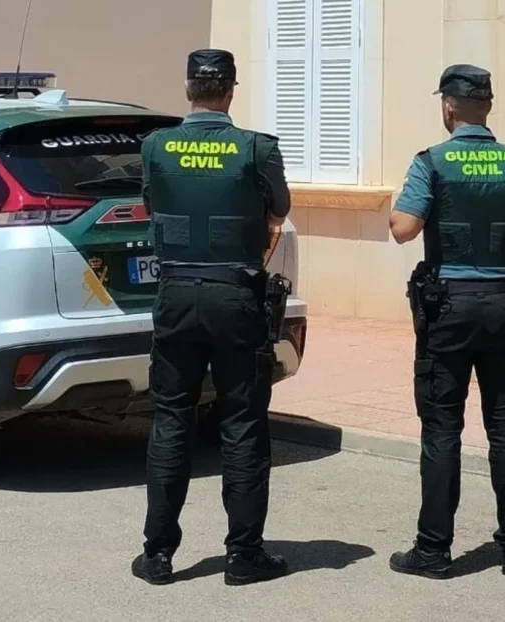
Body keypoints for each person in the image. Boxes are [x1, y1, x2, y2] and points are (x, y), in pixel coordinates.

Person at [388, 64, 505, 580]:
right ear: (487, 106)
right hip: (504, 309)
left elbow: (403, 229)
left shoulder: (432, 162)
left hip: (447, 310)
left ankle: (434, 551)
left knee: (442, 429)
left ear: (448, 106)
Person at [130, 48, 291, 587]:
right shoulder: (256, 148)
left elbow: (153, 205)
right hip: (235, 294)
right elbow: (280, 208)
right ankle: (244, 555)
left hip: (175, 293)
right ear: (230, 90)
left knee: (171, 420)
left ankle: (157, 554)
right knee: (243, 422)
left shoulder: (155, 146)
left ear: (188, 88)